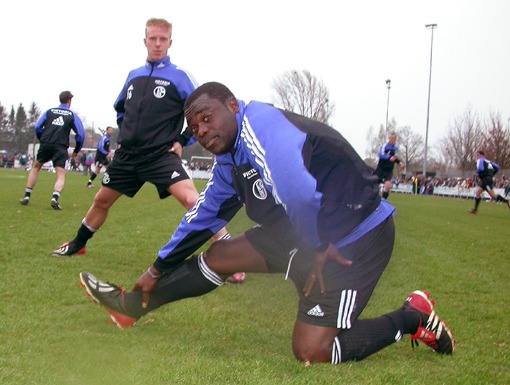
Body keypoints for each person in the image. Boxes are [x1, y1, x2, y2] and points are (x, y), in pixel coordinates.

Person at [79, 82, 455, 365]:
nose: (203, 132)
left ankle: (412, 316)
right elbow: (204, 215)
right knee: (221, 254)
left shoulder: (261, 128)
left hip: (354, 237)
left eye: (208, 119)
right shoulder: (229, 158)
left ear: (233, 105)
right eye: (195, 130)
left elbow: (301, 193)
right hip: (307, 234)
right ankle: (132, 308)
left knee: (312, 350)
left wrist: (318, 243)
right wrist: (157, 267)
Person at [51, 18, 229, 258]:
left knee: (192, 200)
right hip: (128, 157)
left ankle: (230, 254)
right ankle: (78, 244)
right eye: (153, 39)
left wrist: (181, 140)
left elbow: (204, 111)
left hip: (160, 156)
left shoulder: (180, 76)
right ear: (145, 41)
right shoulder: (134, 75)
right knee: (101, 200)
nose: (157, 44)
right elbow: (121, 109)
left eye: (162, 39)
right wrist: (126, 135)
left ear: (170, 42)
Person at [19, 91, 84, 210]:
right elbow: (80, 134)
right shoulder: (72, 115)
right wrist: (77, 149)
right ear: (69, 101)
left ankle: (27, 195)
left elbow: (38, 126)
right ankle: (55, 198)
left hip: (46, 143)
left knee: (36, 167)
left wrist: (42, 138)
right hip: (60, 146)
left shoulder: (49, 111)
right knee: (60, 174)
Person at [469, 150, 509, 215]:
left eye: (478, 155)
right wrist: (491, 175)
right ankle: (475, 210)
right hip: (486, 180)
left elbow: (481, 169)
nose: (477, 156)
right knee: (478, 193)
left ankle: (507, 201)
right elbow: (497, 167)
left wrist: (478, 172)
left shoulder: (480, 160)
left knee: (493, 196)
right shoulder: (488, 161)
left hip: (486, 180)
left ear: (481, 155)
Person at [373, 133, 405, 199]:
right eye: (390, 138)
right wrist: (388, 157)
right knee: (374, 184)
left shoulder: (395, 148)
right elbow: (380, 154)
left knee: (388, 186)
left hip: (389, 170)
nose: (391, 139)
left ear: (395, 139)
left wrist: (400, 163)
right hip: (381, 168)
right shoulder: (385, 146)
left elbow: (395, 158)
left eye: (392, 138)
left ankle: (384, 201)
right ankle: (371, 198)